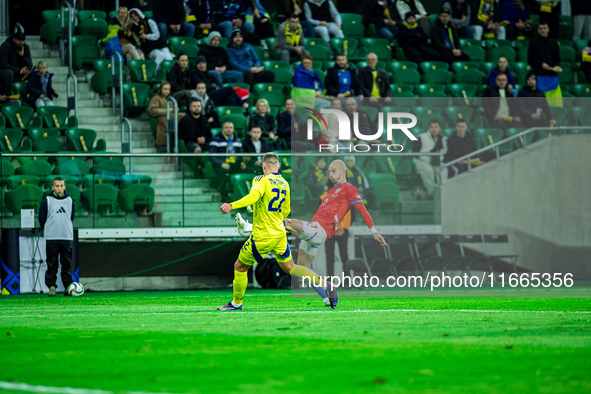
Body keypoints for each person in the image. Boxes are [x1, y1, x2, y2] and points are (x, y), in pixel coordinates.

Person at [220, 152, 338, 310]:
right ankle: (326, 284)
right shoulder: (284, 183)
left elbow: (254, 195)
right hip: (280, 234)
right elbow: (285, 211)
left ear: (263, 166)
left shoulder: (261, 179)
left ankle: (236, 303)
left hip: (263, 236)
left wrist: (232, 205)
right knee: (291, 268)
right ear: (279, 166)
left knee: (240, 266)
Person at [282, 159, 387, 275]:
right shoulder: (331, 191)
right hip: (314, 230)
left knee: (285, 223)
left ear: (343, 172)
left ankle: (264, 235)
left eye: (333, 171)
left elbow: (362, 210)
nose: (330, 175)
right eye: (329, 172)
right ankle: (328, 289)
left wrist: (374, 231)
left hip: (320, 230)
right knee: (300, 271)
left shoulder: (349, 189)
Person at [38, 177, 75, 297]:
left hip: (66, 238)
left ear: (65, 187)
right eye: (57, 186)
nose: (59, 188)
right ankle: (52, 287)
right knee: (52, 263)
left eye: (61, 186)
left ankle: (68, 287)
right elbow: (42, 219)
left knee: (67, 264)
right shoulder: (47, 201)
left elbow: (71, 217)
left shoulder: (70, 201)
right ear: (53, 187)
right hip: (52, 238)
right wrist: (49, 230)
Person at [209, 121, 246, 201]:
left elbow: (241, 153)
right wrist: (221, 163)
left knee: (248, 169)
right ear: (222, 129)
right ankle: (223, 195)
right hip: (220, 166)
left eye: (230, 128)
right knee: (224, 171)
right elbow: (212, 156)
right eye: (226, 128)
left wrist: (242, 162)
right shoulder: (216, 139)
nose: (228, 130)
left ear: (233, 129)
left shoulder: (237, 139)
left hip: (234, 164)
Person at [412, 119, 448, 200]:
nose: (434, 129)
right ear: (428, 128)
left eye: (436, 127)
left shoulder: (444, 139)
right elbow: (415, 152)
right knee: (429, 171)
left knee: (443, 171)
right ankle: (433, 194)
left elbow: (446, 153)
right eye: (432, 127)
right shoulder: (421, 137)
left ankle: (443, 193)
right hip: (423, 161)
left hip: (438, 161)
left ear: (440, 129)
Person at [149, 81, 186, 151]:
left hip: (170, 117)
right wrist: (167, 110)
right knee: (183, 116)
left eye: (168, 89)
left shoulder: (169, 99)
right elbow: (152, 111)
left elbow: (172, 110)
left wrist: (175, 109)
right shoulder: (156, 98)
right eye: (165, 89)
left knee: (184, 116)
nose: (167, 91)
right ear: (161, 89)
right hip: (162, 118)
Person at [0, 23, 32, 104]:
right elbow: (3, 64)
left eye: (23, 40)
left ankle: (32, 100)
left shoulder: (26, 48)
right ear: (14, 39)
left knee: (36, 74)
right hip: (6, 71)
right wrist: (20, 70)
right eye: (19, 40)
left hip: (20, 72)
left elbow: (29, 65)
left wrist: (23, 56)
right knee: (8, 73)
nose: (21, 43)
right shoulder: (5, 46)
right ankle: (5, 97)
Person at [527, 21, 561, 91]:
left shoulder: (554, 43)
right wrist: (541, 64)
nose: (543, 30)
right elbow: (530, 60)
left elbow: (557, 59)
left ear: (548, 29)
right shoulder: (533, 42)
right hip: (539, 75)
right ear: (537, 30)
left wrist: (556, 65)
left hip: (552, 76)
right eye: (540, 28)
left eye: (544, 28)